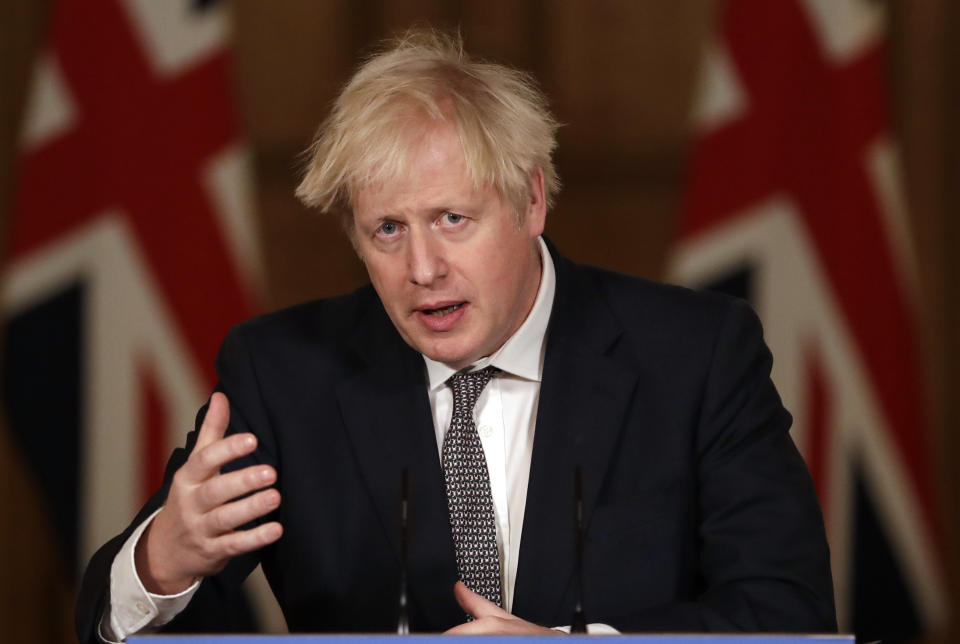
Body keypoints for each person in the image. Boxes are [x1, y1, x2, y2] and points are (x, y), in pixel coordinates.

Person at [76, 28, 836, 643]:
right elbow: (124, 623)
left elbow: (788, 613)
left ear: (531, 199)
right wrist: (163, 562)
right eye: (387, 230)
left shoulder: (696, 355)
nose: (423, 268)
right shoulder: (282, 373)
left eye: (452, 219)